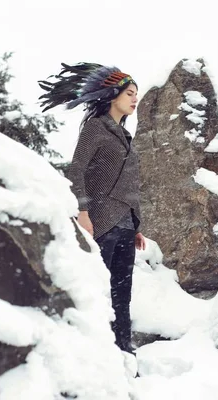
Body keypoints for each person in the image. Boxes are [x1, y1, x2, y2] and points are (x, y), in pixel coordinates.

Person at [38, 63, 146, 354]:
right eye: (130, 93)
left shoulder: (124, 135)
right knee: (97, 290)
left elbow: (129, 183)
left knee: (121, 293)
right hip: (99, 222)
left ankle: (123, 348)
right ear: (113, 95)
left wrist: (135, 225)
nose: (135, 99)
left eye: (137, 94)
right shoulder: (96, 128)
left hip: (124, 225)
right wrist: (83, 212)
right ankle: (94, 351)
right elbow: (76, 171)